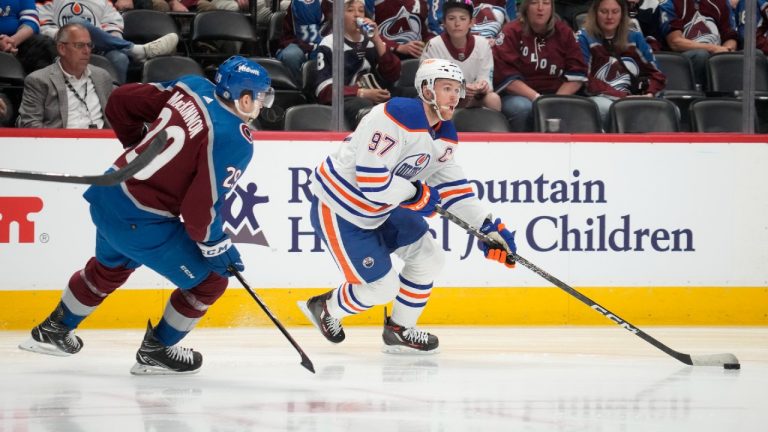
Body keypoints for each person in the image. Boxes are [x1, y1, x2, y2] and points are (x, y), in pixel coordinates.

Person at [18, 56, 274, 375]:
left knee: (111, 267)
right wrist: (219, 248)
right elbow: (200, 211)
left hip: (109, 195)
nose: (263, 104)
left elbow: (121, 100)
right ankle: (158, 349)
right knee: (210, 282)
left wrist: (136, 144)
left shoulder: (191, 86)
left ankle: (53, 330)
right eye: (262, 96)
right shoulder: (235, 138)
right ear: (244, 97)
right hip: (141, 218)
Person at [298, 58, 517, 354]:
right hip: (342, 209)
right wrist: (417, 196)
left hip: (384, 207)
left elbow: (455, 188)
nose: (455, 96)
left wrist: (489, 228)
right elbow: (371, 181)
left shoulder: (445, 133)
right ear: (426, 89)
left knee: (429, 258)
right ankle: (326, 307)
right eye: (447, 88)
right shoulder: (394, 115)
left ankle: (400, 329)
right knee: (382, 288)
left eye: (458, 89)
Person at [492, 0, 588, 131]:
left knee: (575, 108)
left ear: (552, 8)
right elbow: (506, 77)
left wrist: (555, 101)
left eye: (546, 3)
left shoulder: (564, 32)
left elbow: (577, 75)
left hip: (556, 94)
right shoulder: (511, 31)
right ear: (525, 7)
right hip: (521, 96)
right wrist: (537, 98)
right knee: (521, 107)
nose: (540, 8)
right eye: (534, 3)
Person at [38, 0, 179, 84]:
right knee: (76, 25)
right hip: (64, 48)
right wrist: (72, 36)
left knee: (120, 58)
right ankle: (135, 50)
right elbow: (45, 28)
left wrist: (106, 42)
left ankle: (114, 104)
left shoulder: (103, 2)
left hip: (98, 48)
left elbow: (113, 28)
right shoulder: (50, 1)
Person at [577, 0, 666, 129]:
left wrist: (649, 94)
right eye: (604, 11)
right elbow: (585, 79)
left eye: (615, 11)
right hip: (599, 97)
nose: (609, 17)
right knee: (607, 109)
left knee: (670, 110)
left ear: (622, 13)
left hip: (634, 97)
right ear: (595, 13)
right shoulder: (584, 38)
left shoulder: (635, 36)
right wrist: (623, 98)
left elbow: (656, 74)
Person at [315, 0, 401, 128]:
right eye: (350, 10)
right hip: (349, 99)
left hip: (376, 93)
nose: (357, 15)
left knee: (409, 97)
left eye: (361, 10)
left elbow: (393, 75)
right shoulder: (329, 44)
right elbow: (323, 91)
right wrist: (361, 92)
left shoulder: (372, 42)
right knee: (362, 106)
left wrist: (377, 40)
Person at [16, 23, 114, 128]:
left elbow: (114, 119)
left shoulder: (102, 76)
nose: (87, 51)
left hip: (101, 141)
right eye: (79, 45)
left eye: (89, 45)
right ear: (62, 48)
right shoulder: (39, 80)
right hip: (59, 142)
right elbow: (30, 124)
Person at [422, 0, 501, 111]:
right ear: (443, 22)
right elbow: (426, 83)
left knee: (493, 99)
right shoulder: (433, 45)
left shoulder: (482, 44)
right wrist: (459, 89)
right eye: (451, 18)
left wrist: (482, 86)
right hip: (440, 99)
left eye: (463, 19)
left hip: (472, 97)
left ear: (471, 22)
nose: (457, 23)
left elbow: (486, 79)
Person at [659, 0, 738, 88]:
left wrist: (727, 49)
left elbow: (730, 37)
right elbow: (675, 42)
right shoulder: (670, 3)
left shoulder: (721, 3)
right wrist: (713, 49)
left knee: (740, 57)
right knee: (700, 55)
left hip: (716, 52)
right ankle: (697, 90)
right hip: (684, 56)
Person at [276, 0, 332, 82]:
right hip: (297, 43)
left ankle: (321, 88)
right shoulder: (294, 5)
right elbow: (286, 34)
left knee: (326, 54)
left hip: (322, 44)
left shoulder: (327, 4)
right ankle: (297, 89)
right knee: (290, 56)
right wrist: (304, 46)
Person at [0, 0, 58, 74]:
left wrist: (13, 41)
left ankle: (39, 84)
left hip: (16, 42)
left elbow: (31, 22)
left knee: (45, 45)